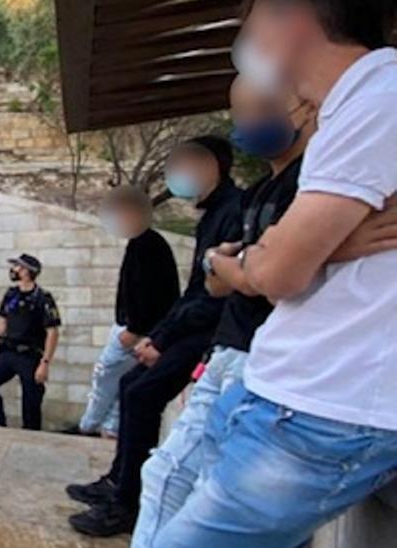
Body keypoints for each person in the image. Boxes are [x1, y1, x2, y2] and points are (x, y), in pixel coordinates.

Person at [154, 2, 397, 545]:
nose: (243, 40)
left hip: (320, 413)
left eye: (250, 19)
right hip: (283, 396)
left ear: (293, 18)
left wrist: (270, 257)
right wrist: (309, 250)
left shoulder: (378, 103)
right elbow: (256, 263)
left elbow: (280, 271)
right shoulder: (357, 105)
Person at [129, 74, 317, 548]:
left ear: (308, 107)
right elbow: (216, 282)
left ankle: (119, 498)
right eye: (241, 114)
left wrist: (236, 265)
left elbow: (274, 281)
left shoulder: (310, 188)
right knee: (176, 476)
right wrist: (236, 267)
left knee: (178, 480)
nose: (250, 123)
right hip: (227, 351)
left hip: (260, 360)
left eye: (262, 109)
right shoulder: (257, 196)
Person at [69, 136, 243, 537]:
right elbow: (194, 291)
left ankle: (125, 502)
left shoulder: (230, 213)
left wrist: (158, 338)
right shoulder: (214, 216)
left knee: (140, 393)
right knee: (133, 386)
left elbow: (209, 294)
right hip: (196, 326)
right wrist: (161, 336)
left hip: (213, 330)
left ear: (211, 166)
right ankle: (118, 481)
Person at [63, 187, 179, 438]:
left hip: (135, 329)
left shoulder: (148, 246)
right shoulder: (143, 243)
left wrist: (135, 329)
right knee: (121, 378)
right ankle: (110, 428)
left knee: (105, 374)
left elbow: (149, 291)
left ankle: (89, 426)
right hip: (139, 327)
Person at [0, 254, 62, 431]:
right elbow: (1, 324)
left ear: (26, 271)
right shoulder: (11, 294)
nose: (13, 270)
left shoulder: (43, 298)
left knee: (31, 401)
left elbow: (52, 333)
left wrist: (45, 363)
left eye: (17, 266)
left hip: (30, 357)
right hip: (7, 352)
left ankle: (31, 437)